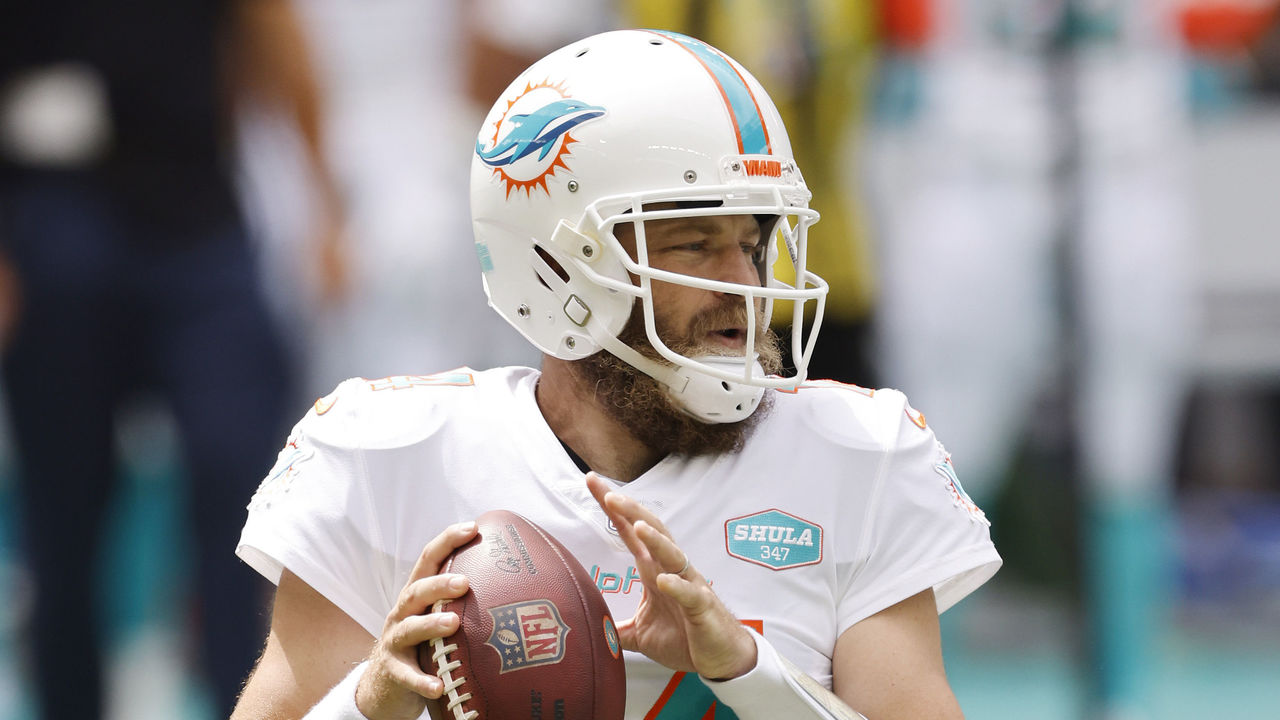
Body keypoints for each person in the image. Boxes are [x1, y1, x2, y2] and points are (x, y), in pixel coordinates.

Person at [231, 29, 1000, 720]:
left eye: (755, 239)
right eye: (695, 244)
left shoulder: (854, 457)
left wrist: (748, 671)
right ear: (559, 268)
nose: (744, 283)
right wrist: (368, 707)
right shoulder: (387, 459)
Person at [0, 1, 342, 717]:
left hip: (197, 217)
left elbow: (269, 29)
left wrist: (325, 200)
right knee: (63, 517)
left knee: (247, 495)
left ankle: (244, 704)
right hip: (51, 223)